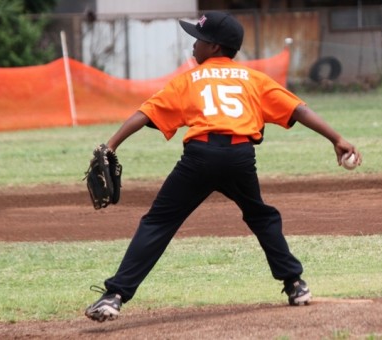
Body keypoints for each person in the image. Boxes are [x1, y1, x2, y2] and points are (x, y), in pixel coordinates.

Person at [85, 11, 362, 322]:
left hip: (199, 158)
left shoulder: (188, 80)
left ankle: (114, 296)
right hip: (239, 158)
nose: (193, 45)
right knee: (261, 216)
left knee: (159, 222)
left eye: (199, 39)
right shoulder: (254, 78)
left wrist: (111, 145)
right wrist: (336, 138)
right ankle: (295, 284)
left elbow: (145, 114)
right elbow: (298, 110)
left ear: (215, 47)